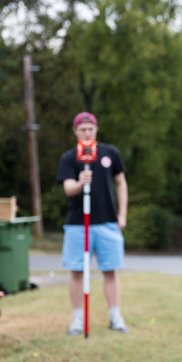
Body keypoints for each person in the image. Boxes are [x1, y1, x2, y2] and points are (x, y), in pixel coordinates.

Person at [57, 112, 130, 335]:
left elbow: (121, 183)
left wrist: (122, 215)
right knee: (77, 272)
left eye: (91, 129)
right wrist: (81, 183)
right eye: (83, 129)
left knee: (110, 271)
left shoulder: (110, 153)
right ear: (75, 132)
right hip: (79, 224)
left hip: (107, 222)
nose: (87, 133)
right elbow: (69, 189)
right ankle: (78, 320)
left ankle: (115, 317)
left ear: (96, 130)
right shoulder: (69, 158)